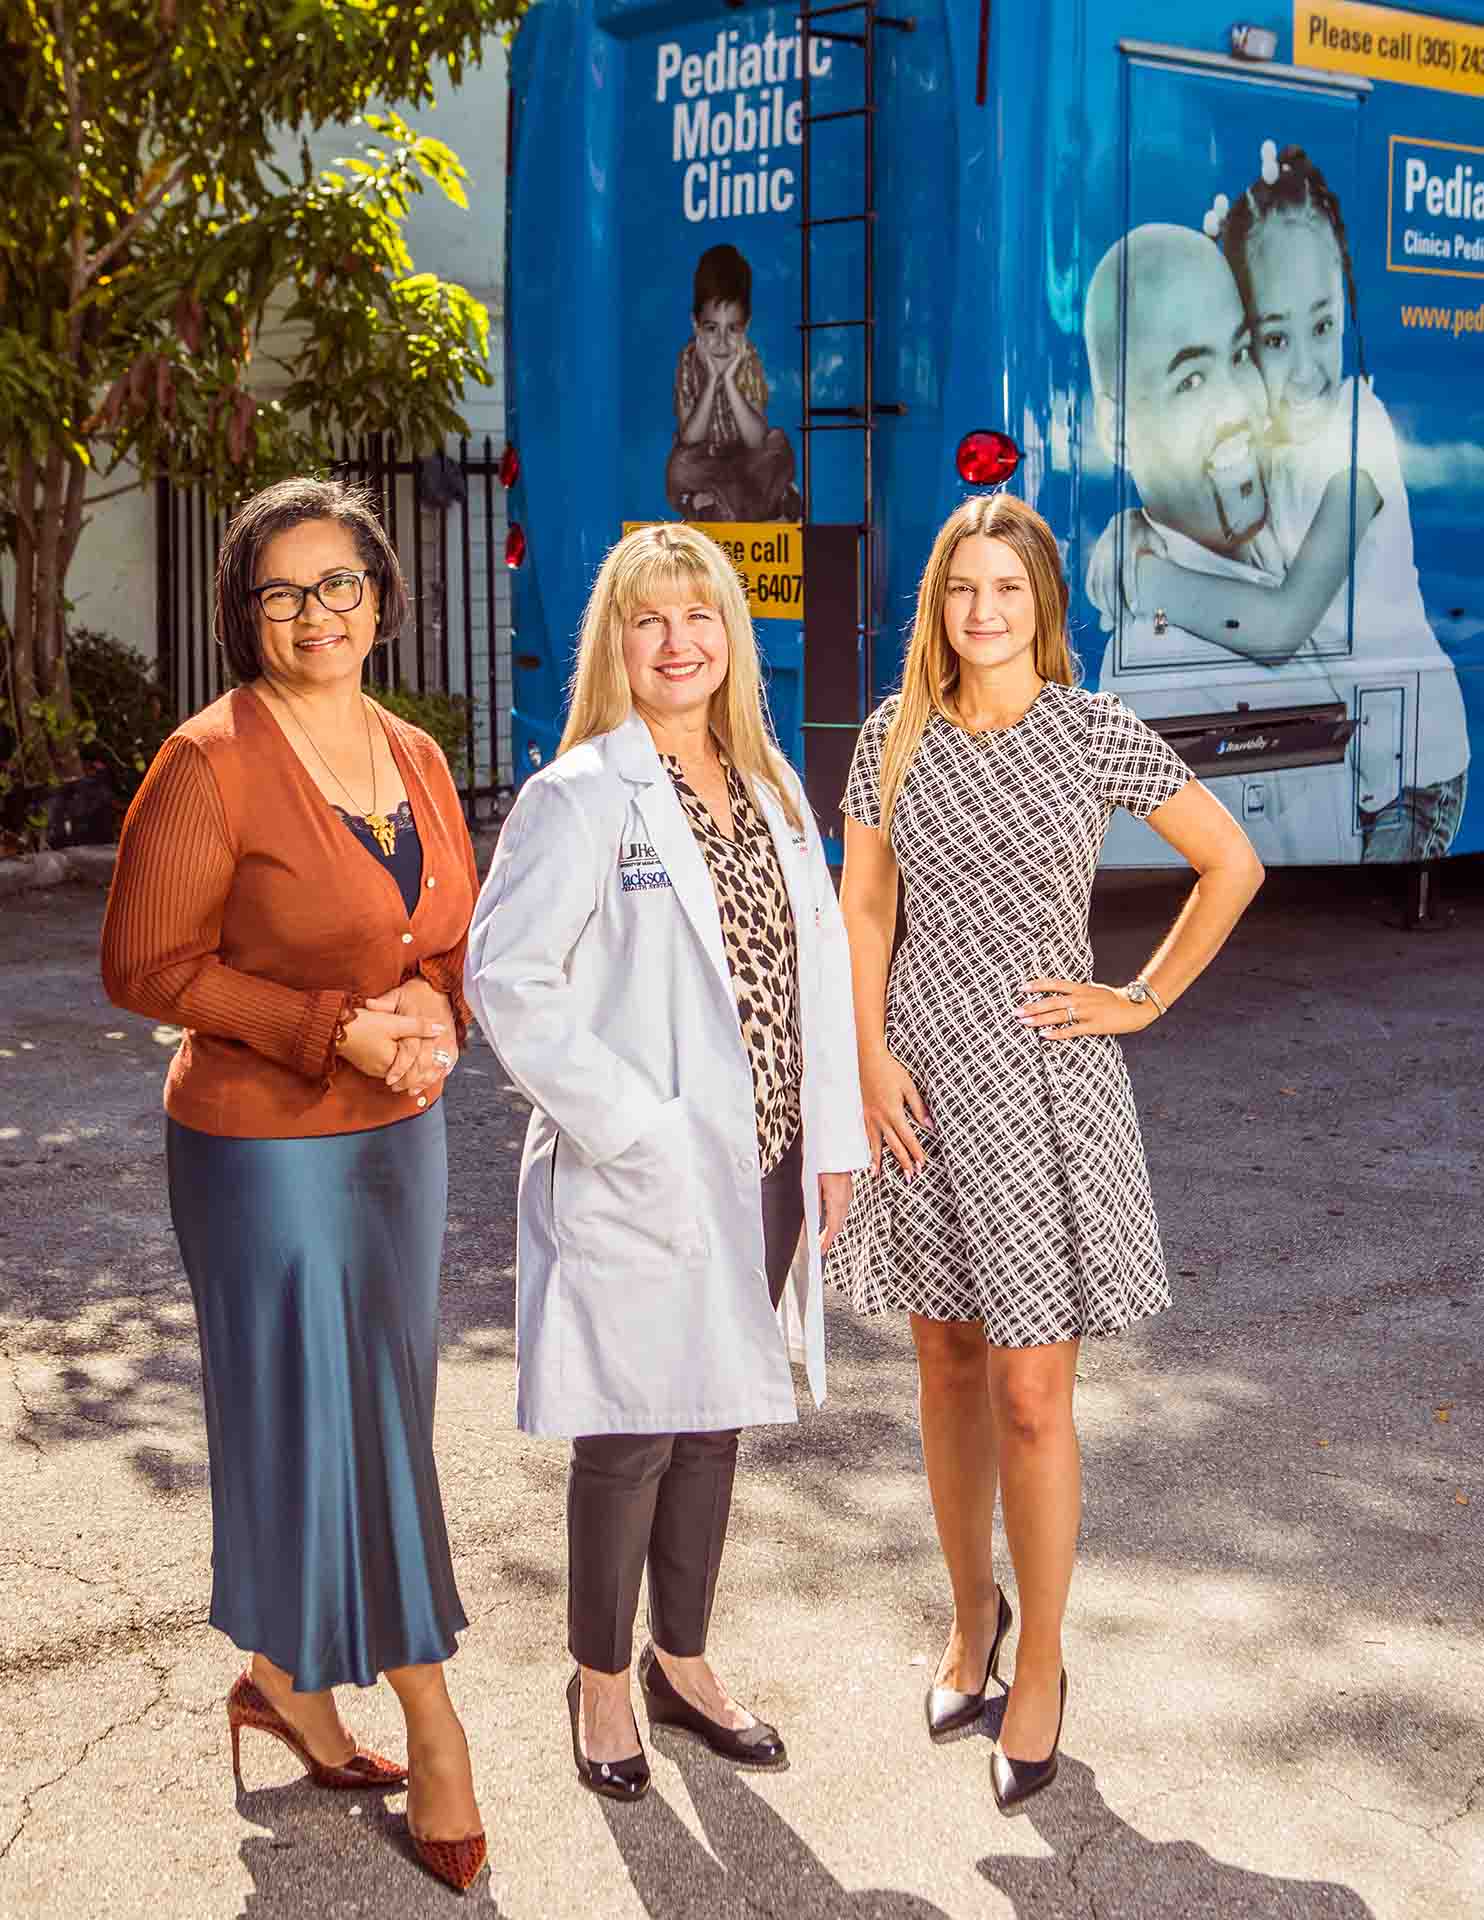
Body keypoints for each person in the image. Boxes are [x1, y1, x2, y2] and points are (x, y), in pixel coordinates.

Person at [824, 492, 1264, 1813]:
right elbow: (862, 903)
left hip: (1042, 1085)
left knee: (1031, 1394)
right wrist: (868, 1058)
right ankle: (972, 1622)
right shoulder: (893, 736)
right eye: (963, 588)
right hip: (920, 1082)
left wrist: (1145, 996)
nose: (983, 611)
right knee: (946, 1363)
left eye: (1007, 590)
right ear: (939, 607)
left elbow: (1228, 863)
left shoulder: (1089, 731)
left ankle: (1045, 1666)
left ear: (1042, 607)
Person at [99, 477, 485, 1893]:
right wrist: (333, 1030)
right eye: (283, 591)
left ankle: (283, 1674)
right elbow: (144, 965)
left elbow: (444, 928)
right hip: (266, 1145)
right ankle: (432, 1715)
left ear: (381, 601)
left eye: (339, 586)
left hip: (401, 1132)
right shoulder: (210, 763)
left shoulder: (416, 756)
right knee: (342, 1419)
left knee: (375, 1406)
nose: (315, 613)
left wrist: (436, 1013)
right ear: (244, 617)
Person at [464, 523, 866, 1802]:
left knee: (714, 1415)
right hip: (645, 1163)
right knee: (631, 1432)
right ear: (617, 644)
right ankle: (597, 1680)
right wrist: (630, 1127)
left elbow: (817, 978)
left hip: (765, 1159)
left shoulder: (776, 789)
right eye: (650, 621)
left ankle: (680, 1662)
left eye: (700, 618)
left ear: (731, 643)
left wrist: (833, 1142)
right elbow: (506, 981)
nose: (677, 642)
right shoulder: (579, 795)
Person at [1115, 146, 1470, 862]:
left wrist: (1146, 580)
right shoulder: (1266, 437)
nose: (1305, 368)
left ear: (1349, 316)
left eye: (1324, 327)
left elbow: (1279, 625)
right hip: (1358, 760)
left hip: (1418, 772)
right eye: (1274, 338)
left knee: (1373, 946)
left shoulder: (1359, 437)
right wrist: (1131, 526)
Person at [1082, 220, 1352, 863]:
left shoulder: (1292, 497)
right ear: (1115, 427)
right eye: (1192, 381)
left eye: (1239, 356)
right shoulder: (1163, 674)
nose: (1243, 403)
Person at [665, 243, 801, 523]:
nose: (722, 342)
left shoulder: (747, 358)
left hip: (746, 461)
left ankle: (719, 505)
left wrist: (728, 380)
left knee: (778, 446)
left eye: (733, 329)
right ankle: (754, 504)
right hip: (708, 462)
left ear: (746, 326)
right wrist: (712, 378)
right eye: (711, 329)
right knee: (679, 467)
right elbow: (691, 436)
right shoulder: (689, 360)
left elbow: (754, 439)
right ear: (695, 324)